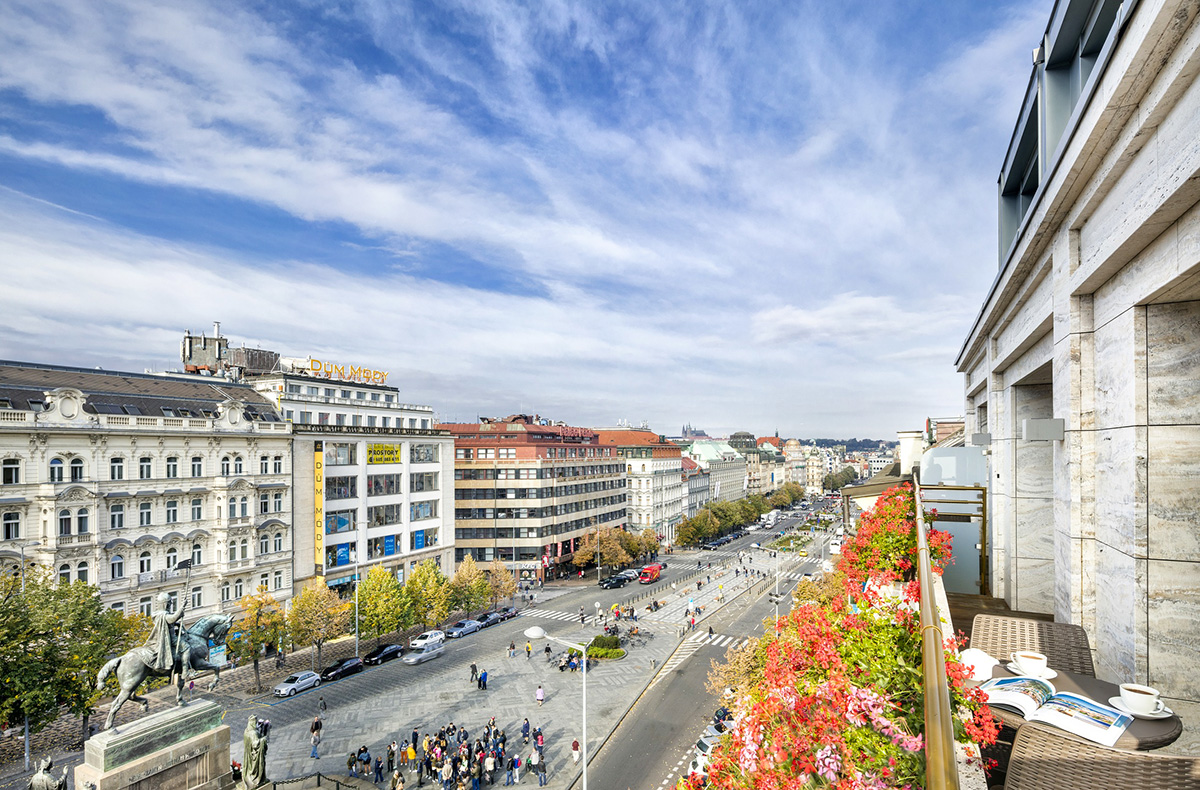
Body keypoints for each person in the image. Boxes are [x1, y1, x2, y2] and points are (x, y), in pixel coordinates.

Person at [144, 590, 186, 673]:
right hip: (169, 638)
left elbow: (171, 621)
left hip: (168, 635)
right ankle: (185, 671)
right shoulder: (163, 615)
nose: (170, 605)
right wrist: (182, 607)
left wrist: (177, 624)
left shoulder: (157, 613)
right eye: (169, 603)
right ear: (165, 604)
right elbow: (172, 618)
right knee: (186, 647)